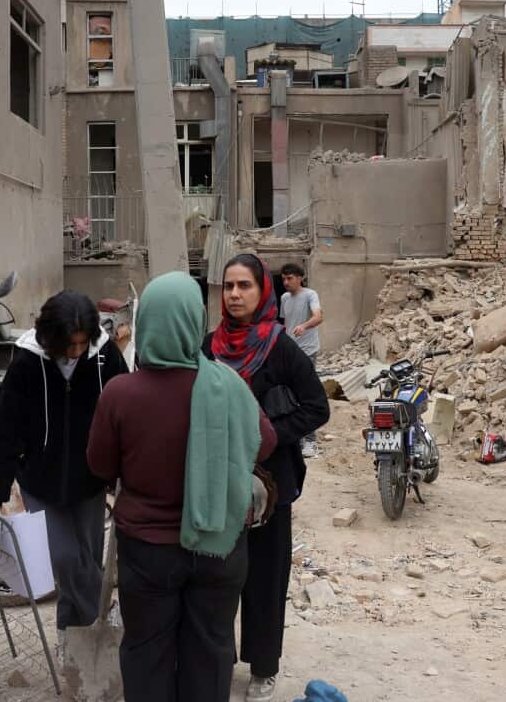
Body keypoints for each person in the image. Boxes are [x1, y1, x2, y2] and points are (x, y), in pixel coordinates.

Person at [88, 271, 277, 702]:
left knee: (146, 651)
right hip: (220, 547)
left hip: (147, 551)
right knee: (210, 651)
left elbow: (99, 466)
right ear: (195, 322)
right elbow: (264, 443)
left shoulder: (120, 394)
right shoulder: (226, 384)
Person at [205, 254, 330, 702]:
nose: (235, 294)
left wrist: (271, 436)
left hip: (269, 485)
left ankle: (263, 666)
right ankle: (216, 662)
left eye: (245, 286)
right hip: (216, 482)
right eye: (228, 286)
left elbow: (318, 407)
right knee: (215, 574)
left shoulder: (279, 347)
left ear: (263, 293)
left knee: (265, 574)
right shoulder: (209, 347)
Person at [0, 290, 129, 631]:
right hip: (40, 479)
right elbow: (5, 430)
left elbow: (124, 414)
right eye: (67, 345)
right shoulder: (27, 363)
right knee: (63, 557)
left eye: (80, 344)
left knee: (87, 559)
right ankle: (103, 622)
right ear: (50, 337)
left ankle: (70, 638)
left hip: (90, 479)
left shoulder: (104, 356)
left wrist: (123, 471)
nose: (75, 352)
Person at [278, 263, 324, 458]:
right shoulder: (284, 298)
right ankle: (296, 437)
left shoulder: (310, 295)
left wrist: (304, 326)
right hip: (290, 352)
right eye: (283, 279)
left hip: (307, 351)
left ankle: (311, 442)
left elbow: (318, 317)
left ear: (299, 278)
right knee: (289, 395)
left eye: (289, 278)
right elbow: (285, 323)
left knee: (307, 395)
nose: (286, 282)